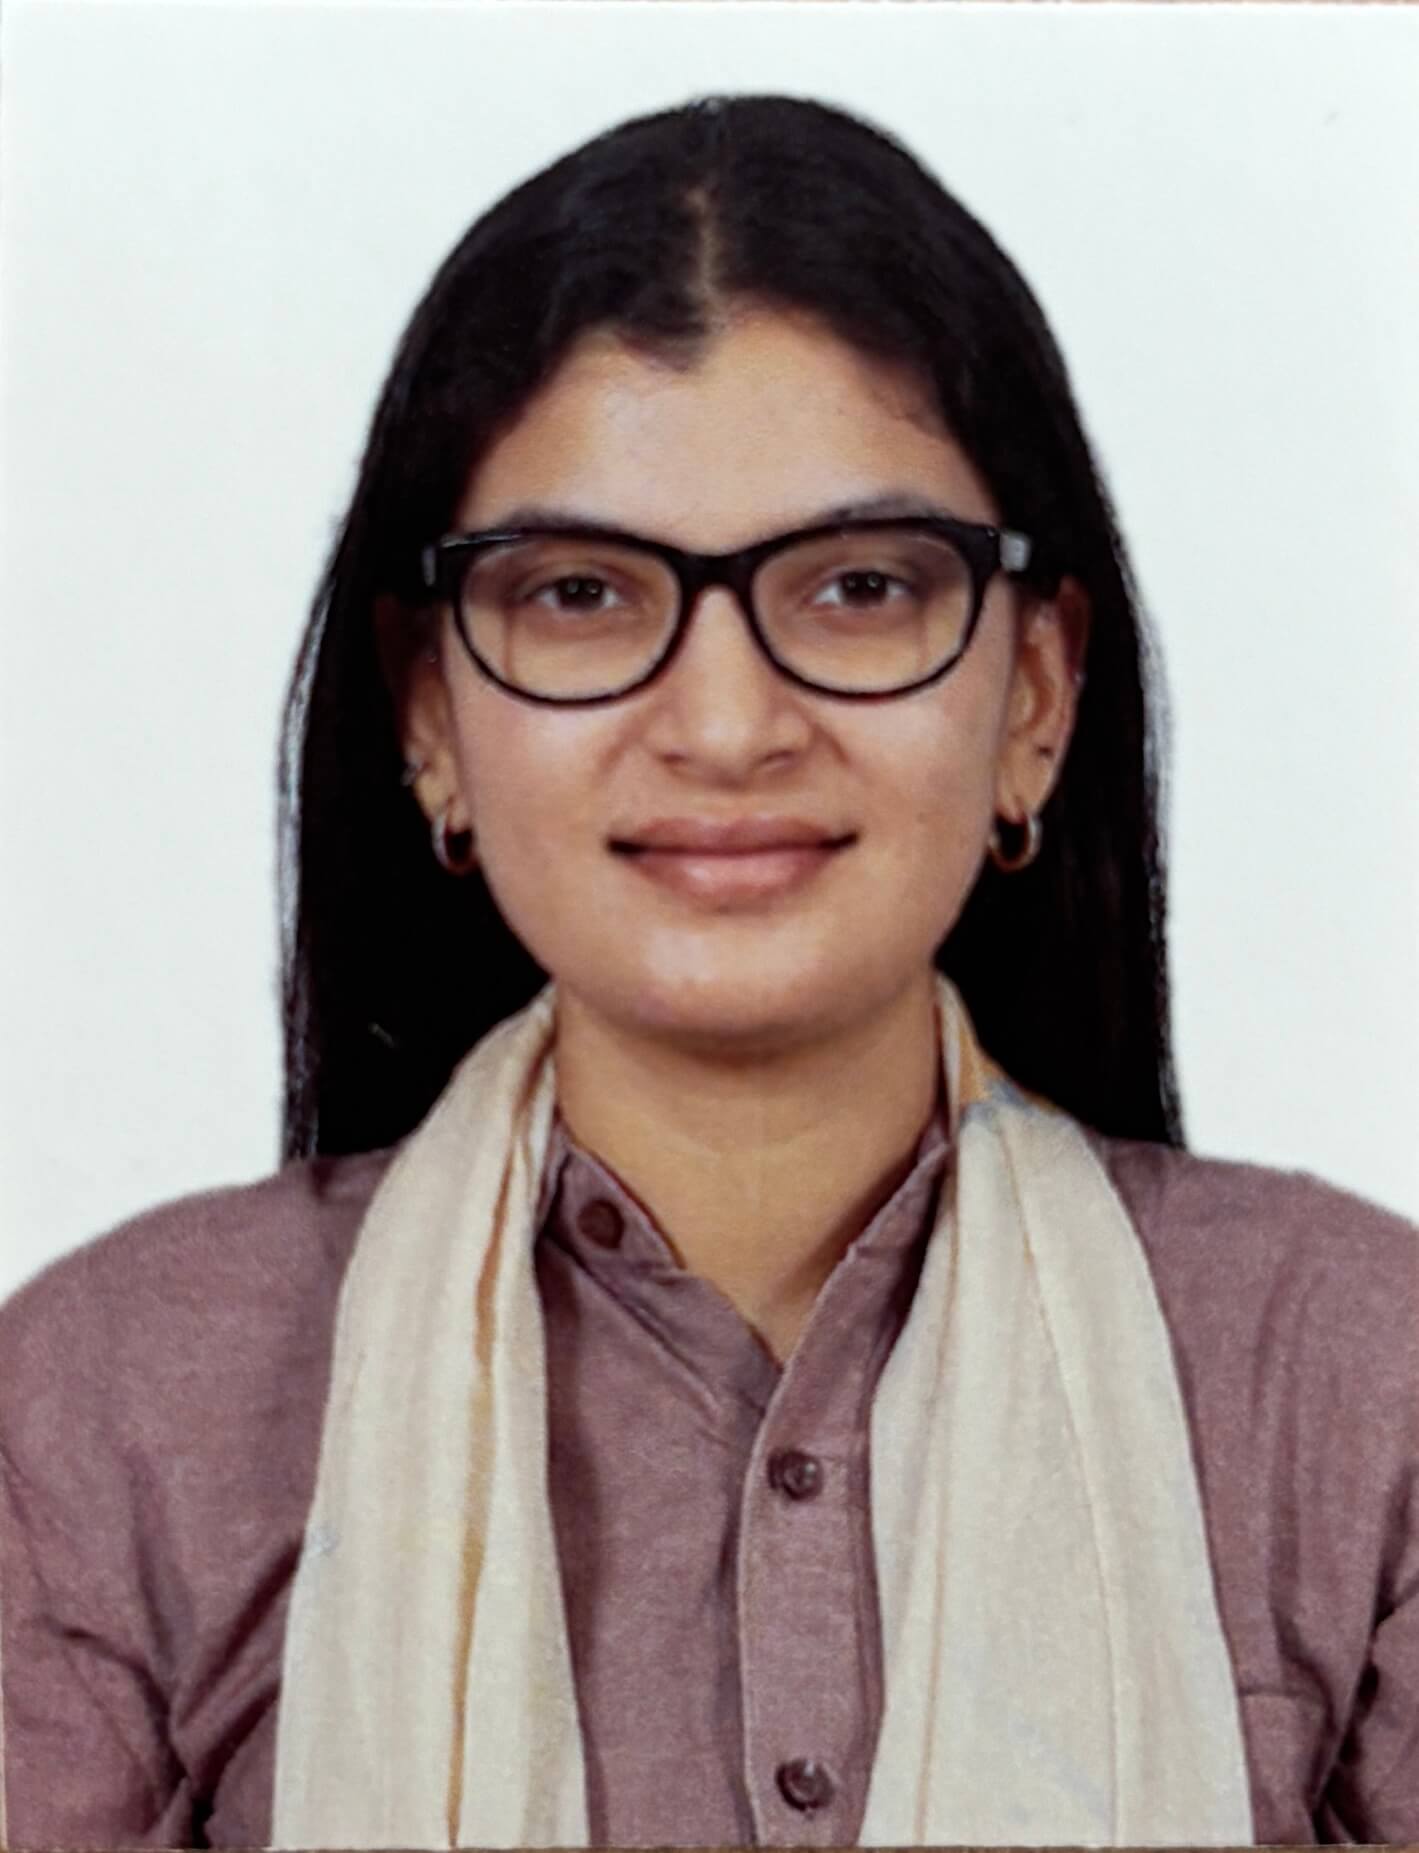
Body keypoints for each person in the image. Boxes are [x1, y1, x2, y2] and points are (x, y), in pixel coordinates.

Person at [1, 93, 1415, 1851]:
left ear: (1035, 697)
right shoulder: (101, 1416)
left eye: (863, 586)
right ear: (431, 712)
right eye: (582, 593)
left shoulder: (1364, 1386)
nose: (730, 724)